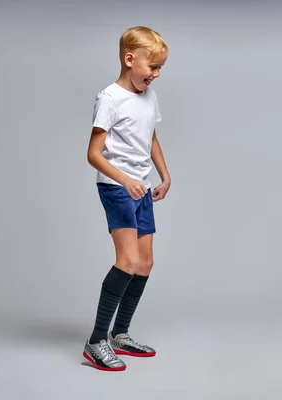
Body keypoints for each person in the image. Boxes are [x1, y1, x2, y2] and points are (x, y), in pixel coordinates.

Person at [82, 26, 171, 371]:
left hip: (142, 188)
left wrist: (164, 176)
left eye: (160, 68)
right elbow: (93, 153)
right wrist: (125, 180)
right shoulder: (109, 98)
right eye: (152, 67)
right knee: (128, 261)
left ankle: (121, 333)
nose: (156, 74)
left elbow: (150, 138)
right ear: (129, 59)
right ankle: (95, 341)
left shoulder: (149, 97)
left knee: (145, 264)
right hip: (117, 187)